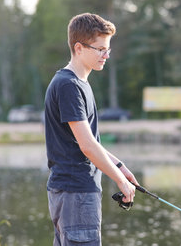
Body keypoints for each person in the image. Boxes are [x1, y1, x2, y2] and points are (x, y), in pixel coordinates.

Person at [44, 13, 138, 245]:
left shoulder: (79, 83)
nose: (106, 55)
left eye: (108, 49)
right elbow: (87, 146)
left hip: (72, 192)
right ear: (79, 47)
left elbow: (89, 141)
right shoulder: (69, 85)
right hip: (75, 192)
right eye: (100, 49)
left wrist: (119, 166)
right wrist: (120, 181)